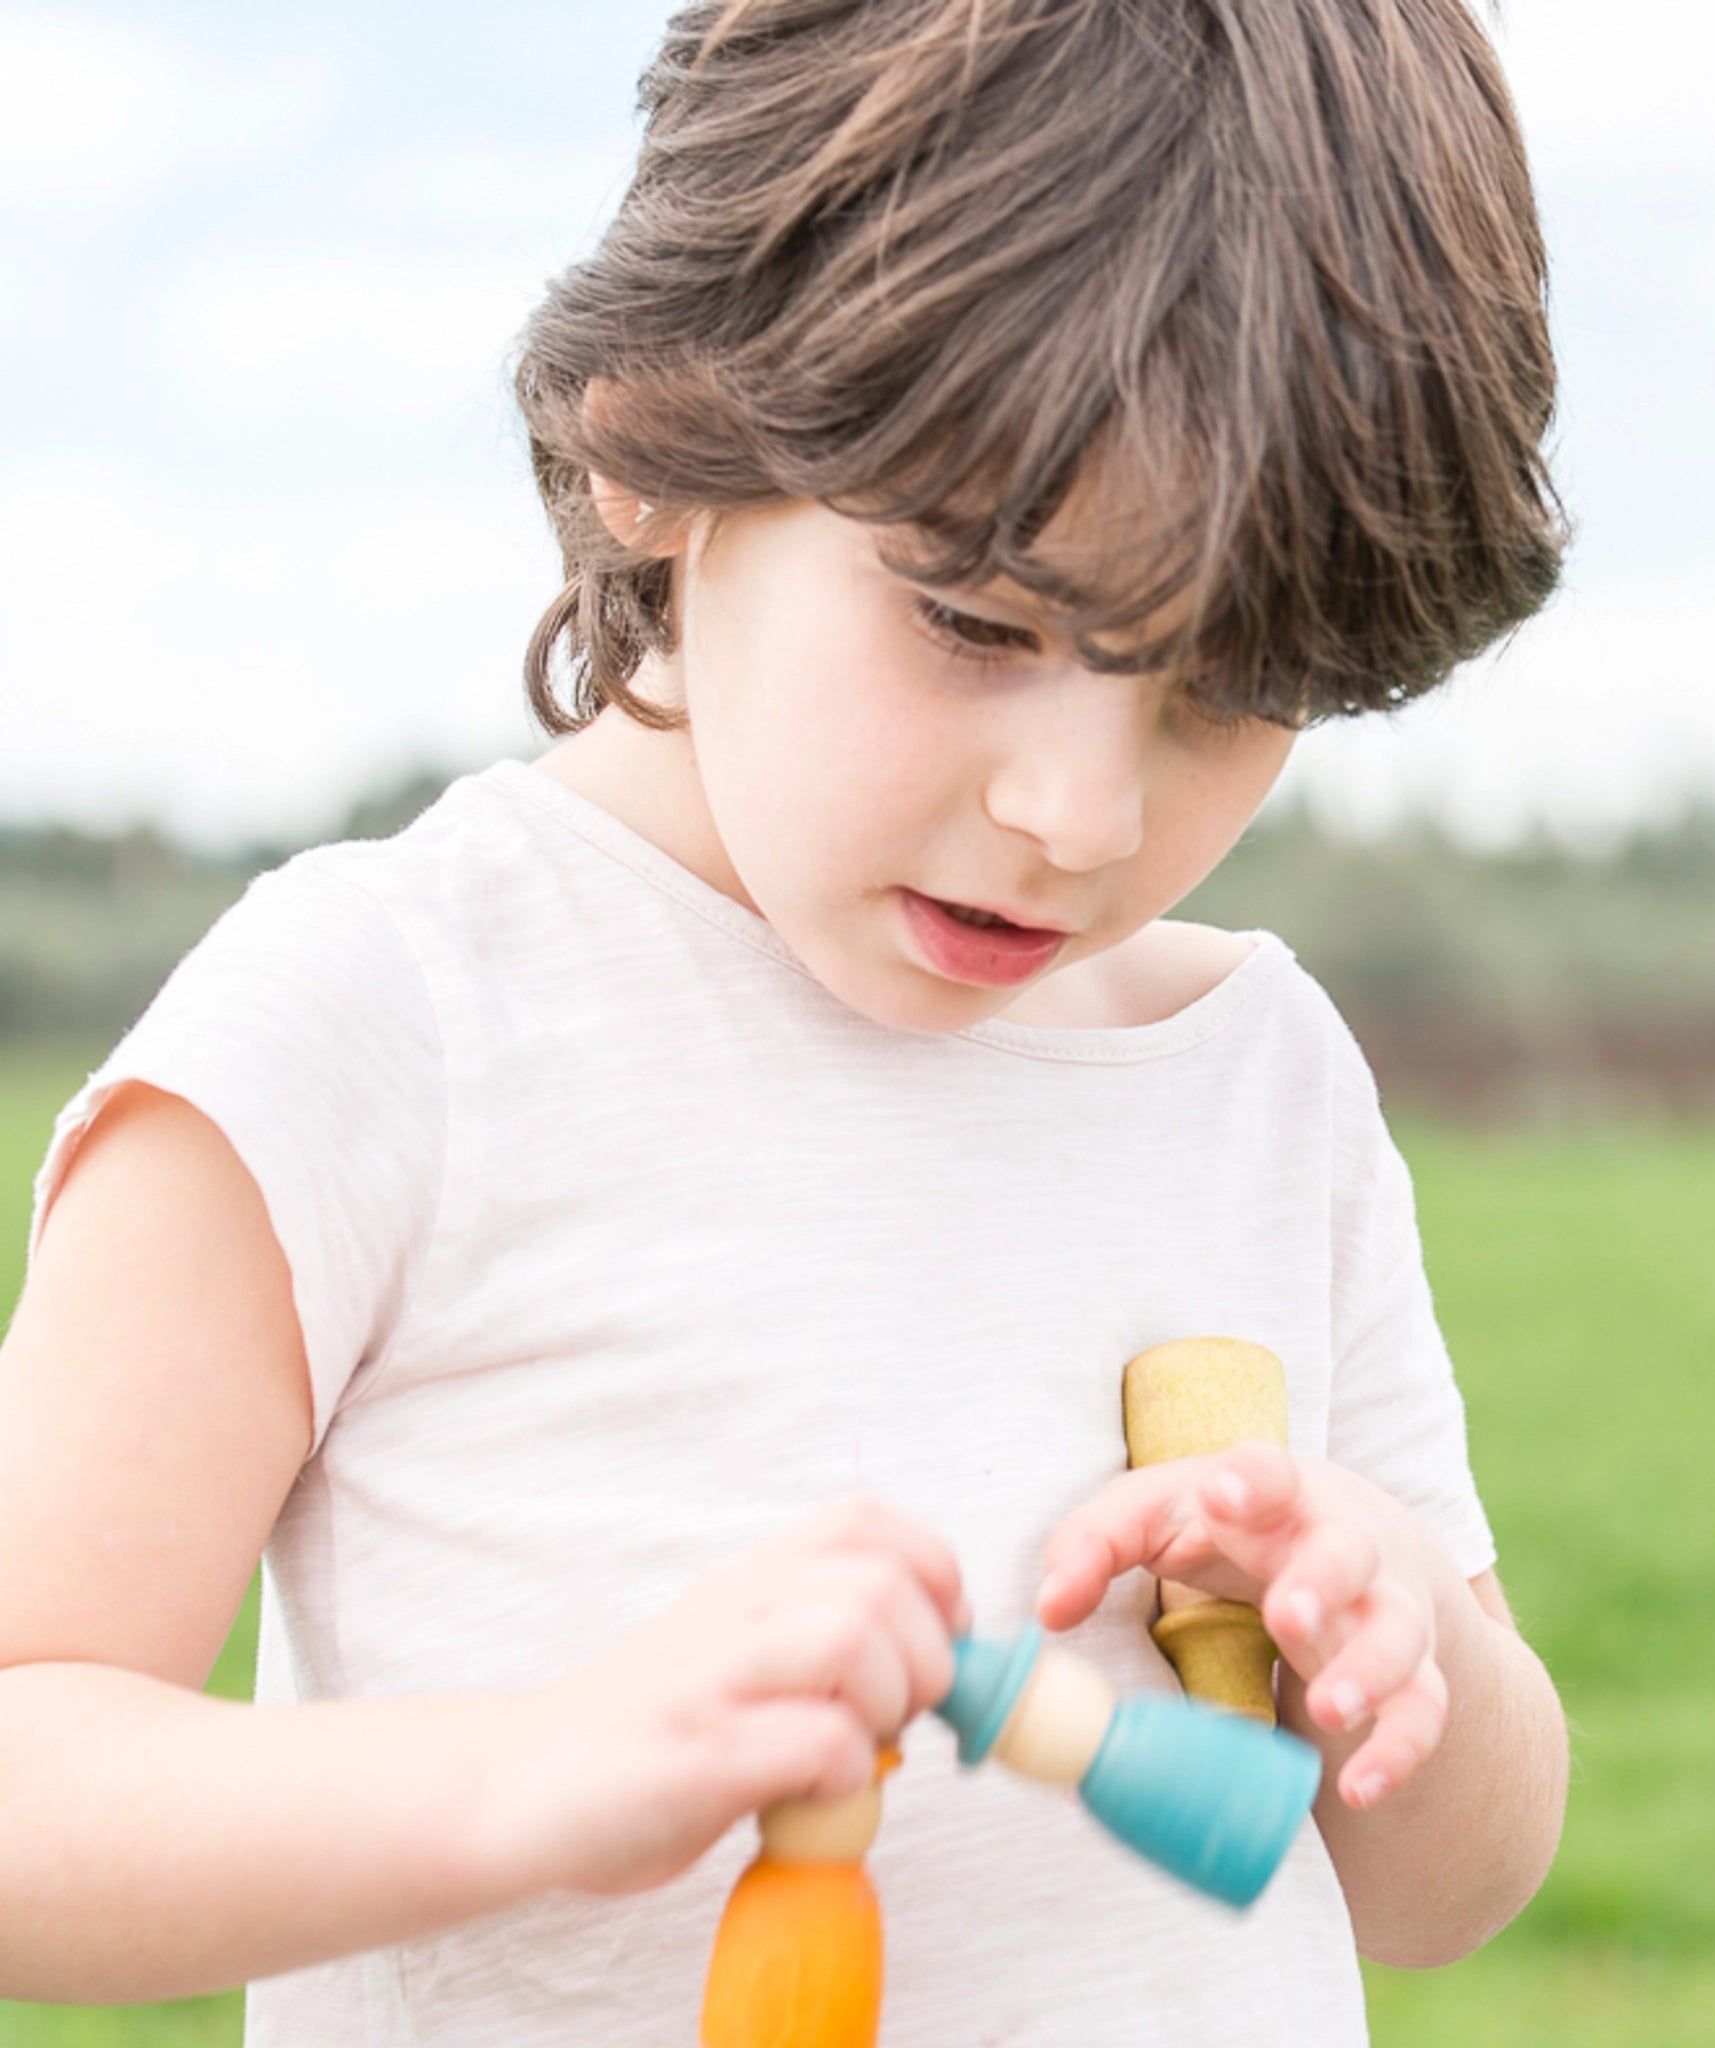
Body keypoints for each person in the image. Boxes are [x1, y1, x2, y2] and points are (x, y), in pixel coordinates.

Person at [0, 1, 1571, 2041]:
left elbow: (1453, 1889)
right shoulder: (386, 1020)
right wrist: (536, 1772)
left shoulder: (1252, 1076)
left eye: (1223, 688)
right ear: (659, 437)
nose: (1076, 813)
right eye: (979, 623)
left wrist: (1403, 1650)